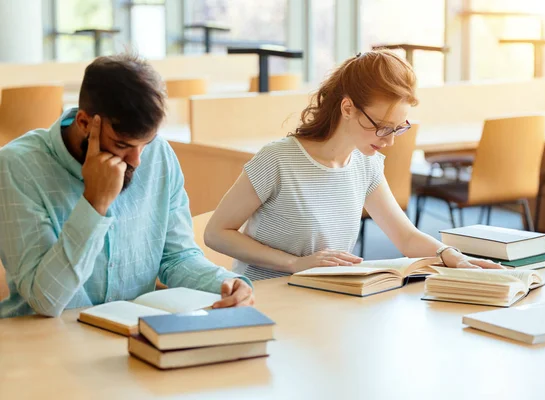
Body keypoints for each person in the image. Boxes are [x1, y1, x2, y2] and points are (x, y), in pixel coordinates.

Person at [204, 50, 503, 281]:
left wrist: (450, 254)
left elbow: (406, 236)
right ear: (347, 108)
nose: (389, 141)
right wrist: (295, 264)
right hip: (269, 299)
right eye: (382, 127)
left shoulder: (365, 165)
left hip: (327, 299)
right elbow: (216, 233)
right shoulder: (278, 160)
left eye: (399, 128)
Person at [0, 54, 253, 318]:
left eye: (146, 142)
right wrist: (94, 203)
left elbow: (177, 258)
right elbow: (46, 301)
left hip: (129, 336)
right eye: (122, 145)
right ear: (85, 122)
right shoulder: (19, 167)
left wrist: (225, 284)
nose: (137, 160)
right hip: (42, 340)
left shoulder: (159, 155)